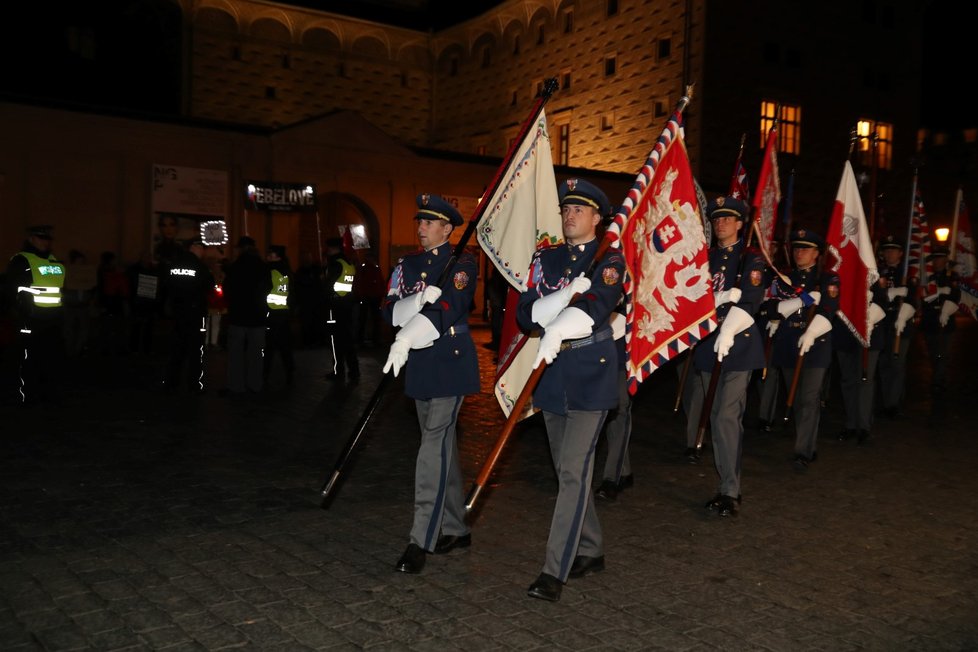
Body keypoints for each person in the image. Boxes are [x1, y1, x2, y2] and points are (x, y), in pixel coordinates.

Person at [515, 178, 624, 602]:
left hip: (590, 371)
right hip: (553, 370)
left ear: (598, 218)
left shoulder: (609, 260)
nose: (569, 215)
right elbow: (526, 313)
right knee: (567, 470)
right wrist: (559, 298)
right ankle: (592, 548)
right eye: (566, 209)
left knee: (574, 470)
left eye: (579, 210)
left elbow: (597, 308)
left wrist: (559, 321)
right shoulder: (548, 259)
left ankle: (553, 568)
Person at [380, 193, 479, 575]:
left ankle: (421, 538)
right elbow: (389, 309)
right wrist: (417, 300)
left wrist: (412, 329)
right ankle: (456, 526)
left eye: (429, 222)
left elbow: (451, 306)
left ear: (447, 228)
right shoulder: (408, 264)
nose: (421, 228)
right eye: (419, 221)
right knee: (442, 447)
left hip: (450, 361)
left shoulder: (462, 263)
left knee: (431, 447)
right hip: (420, 362)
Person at [680, 197, 766, 517]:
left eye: (728, 219)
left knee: (725, 416)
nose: (721, 225)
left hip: (739, 346)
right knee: (716, 415)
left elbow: (752, 300)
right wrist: (718, 297)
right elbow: (693, 296)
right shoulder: (706, 258)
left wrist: (730, 326)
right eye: (717, 220)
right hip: (708, 346)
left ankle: (730, 490)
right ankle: (724, 480)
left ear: (741, 224)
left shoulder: (750, 259)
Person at [761, 228, 839, 472]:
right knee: (795, 398)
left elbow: (830, 308)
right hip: (788, 344)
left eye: (805, 249)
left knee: (808, 398)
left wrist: (813, 332)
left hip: (815, 346)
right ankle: (807, 443)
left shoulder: (827, 279)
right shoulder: (784, 278)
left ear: (817, 253)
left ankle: (803, 450)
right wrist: (794, 303)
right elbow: (769, 307)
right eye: (797, 248)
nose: (800, 253)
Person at [5, 225, 67, 405]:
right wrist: (23, 313)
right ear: (31, 239)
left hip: (53, 319)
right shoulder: (21, 260)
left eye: (47, 239)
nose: (45, 242)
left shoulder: (54, 261)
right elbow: (12, 290)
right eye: (41, 238)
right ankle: (29, 396)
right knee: (30, 358)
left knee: (51, 359)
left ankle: (49, 393)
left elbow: (60, 290)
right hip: (31, 320)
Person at [832, 287, 885, 446]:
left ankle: (863, 426)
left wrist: (869, 319)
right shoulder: (839, 274)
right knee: (848, 381)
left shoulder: (872, 274)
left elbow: (881, 300)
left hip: (868, 333)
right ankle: (851, 423)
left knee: (865, 380)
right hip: (844, 332)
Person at [161, 239, 213, 394]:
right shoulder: (200, 267)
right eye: (202, 249)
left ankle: (171, 381)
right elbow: (209, 286)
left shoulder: (174, 265)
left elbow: (165, 286)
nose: (203, 252)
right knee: (196, 350)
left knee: (177, 349)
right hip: (196, 313)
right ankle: (194, 383)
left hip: (178, 313)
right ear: (195, 248)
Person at [874, 235, 918, 418]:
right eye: (887, 250)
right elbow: (874, 294)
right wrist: (888, 293)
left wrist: (904, 312)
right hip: (882, 323)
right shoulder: (878, 272)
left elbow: (914, 298)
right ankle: (886, 401)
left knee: (897, 364)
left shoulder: (907, 274)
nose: (889, 253)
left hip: (900, 324)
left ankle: (894, 404)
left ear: (901, 253)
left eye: (893, 250)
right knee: (883, 364)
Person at [594, 299, 634, 501]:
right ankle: (623, 471)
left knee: (619, 410)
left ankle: (612, 478)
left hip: (619, 347)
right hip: (588, 345)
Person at [222, 236, 271, 396]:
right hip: (258, 318)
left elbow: (227, 289)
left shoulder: (235, 267)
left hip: (238, 317)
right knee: (256, 354)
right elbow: (269, 289)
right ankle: (255, 385)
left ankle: (236, 386)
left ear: (241, 249)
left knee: (236, 354)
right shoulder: (263, 267)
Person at [919, 244, 960, 418]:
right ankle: (938, 376)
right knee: (933, 353)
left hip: (946, 322)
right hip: (930, 322)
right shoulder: (927, 276)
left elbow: (955, 295)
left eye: (941, 258)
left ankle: (938, 382)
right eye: (935, 258)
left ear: (945, 259)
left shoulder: (952, 276)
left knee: (943, 354)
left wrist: (947, 308)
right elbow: (924, 296)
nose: (938, 261)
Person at [324, 237, 360, 381]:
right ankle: (354, 370)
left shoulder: (334, 264)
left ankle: (338, 371)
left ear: (332, 248)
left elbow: (328, 285)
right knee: (348, 339)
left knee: (335, 341)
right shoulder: (347, 262)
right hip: (347, 304)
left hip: (335, 305)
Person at [263, 244, 295, 386]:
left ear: (277, 256)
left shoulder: (269, 270)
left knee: (268, 347)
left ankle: (264, 375)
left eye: (271, 254)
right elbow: (292, 293)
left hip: (270, 313)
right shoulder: (288, 271)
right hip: (284, 314)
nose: (268, 256)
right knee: (285, 346)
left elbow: (262, 291)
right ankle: (290, 373)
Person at [61, 249, 97, 358]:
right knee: (68, 330)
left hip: (83, 306)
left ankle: (77, 351)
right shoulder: (67, 273)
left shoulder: (87, 273)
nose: (81, 264)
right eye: (79, 261)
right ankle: (69, 352)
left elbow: (92, 286)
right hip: (70, 305)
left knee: (84, 330)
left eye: (82, 261)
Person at [95, 251, 130, 356]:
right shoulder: (108, 273)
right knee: (114, 327)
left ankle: (107, 348)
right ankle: (113, 348)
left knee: (109, 327)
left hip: (110, 302)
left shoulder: (102, 272)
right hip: (112, 302)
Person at [127, 250, 160, 355]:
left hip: (149, 302)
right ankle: (134, 348)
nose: (147, 259)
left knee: (148, 326)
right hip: (138, 301)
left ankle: (146, 348)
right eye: (145, 257)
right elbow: (130, 284)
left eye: (149, 257)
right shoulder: (134, 269)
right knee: (137, 325)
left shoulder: (154, 269)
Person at [292, 252, 327, 349]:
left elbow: (320, 283)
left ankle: (317, 340)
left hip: (316, 301)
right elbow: (299, 286)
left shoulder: (316, 269)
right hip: (305, 302)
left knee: (316, 322)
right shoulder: (300, 271)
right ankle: (308, 341)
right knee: (306, 323)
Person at [353, 251, 386, 347]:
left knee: (372, 319)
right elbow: (360, 282)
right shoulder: (364, 268)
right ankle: (363, 339)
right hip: (368, 296)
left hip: (374, 296)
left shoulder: (373, 267)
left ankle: (371, 339)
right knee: (365, 318)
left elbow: (380, 281)